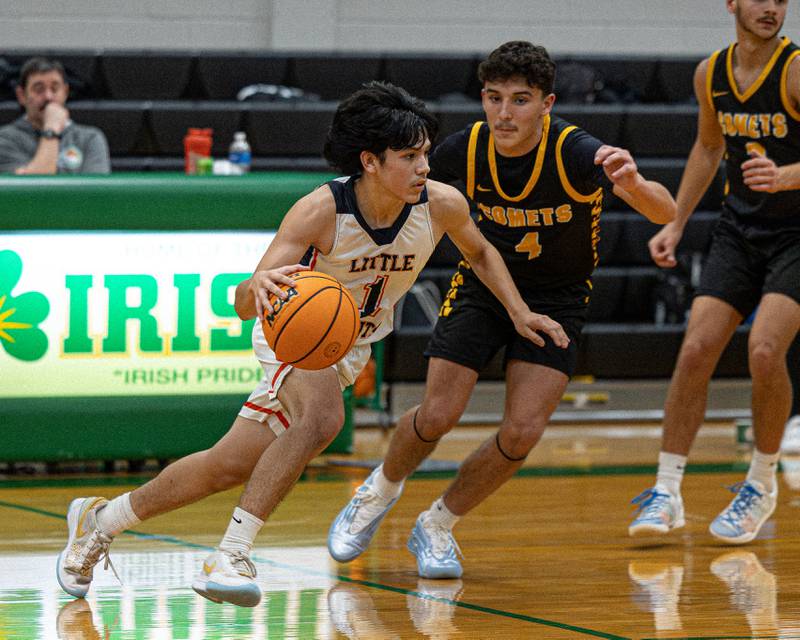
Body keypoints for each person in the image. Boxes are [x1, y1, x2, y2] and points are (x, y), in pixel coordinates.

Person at [56, 81, 568, 607]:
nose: (423, 167)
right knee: (322, 420)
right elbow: (243, 302)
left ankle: (99, 521)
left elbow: (481, 254)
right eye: (409, 156)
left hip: (348, 347)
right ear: (370, 160)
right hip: (292, 335)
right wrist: (255, 287)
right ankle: (229, 555)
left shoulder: (440, 205)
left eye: (425, 154)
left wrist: (519, 311)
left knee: (225, 465)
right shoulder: (321, 210)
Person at [328, 41, 676, 579]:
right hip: (483, 286)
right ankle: (377, 492)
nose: (504, 113)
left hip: (558, 298)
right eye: (494, 98)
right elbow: (390, 187)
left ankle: (438, 524)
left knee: (522, 431)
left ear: (547, 103)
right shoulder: (464, 150)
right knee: (439, 412)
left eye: (520, 100)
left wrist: (633, 184)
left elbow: (666, 211)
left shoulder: (576, 153)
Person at [629, 0, 800, 543]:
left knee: (766, 351)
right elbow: (708, 147)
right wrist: (675, 222)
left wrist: (787, 175)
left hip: (796, 235)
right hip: (738, 230)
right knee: (696, 349)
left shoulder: (796, 70)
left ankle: (760, 482)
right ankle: (667, 489)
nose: (771, 7)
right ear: (732, 3)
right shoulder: (712, 72)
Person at [0, 56, 110, 174]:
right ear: (21, 95)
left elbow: (95, 191)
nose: (48, 97)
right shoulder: (5, 139)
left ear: (65, 92)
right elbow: (33, 189)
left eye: (55, 88)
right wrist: (51, 129)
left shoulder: (90, 139)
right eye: (39, 89)